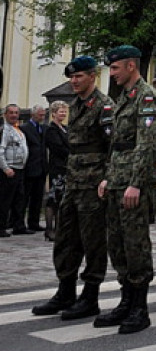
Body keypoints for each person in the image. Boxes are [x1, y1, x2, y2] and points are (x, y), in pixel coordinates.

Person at [31, 56, 113, 320]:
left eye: (79, 77)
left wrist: (107, 178)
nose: (74, 82)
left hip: (94, 185)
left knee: (93, 241)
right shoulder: (74, 106)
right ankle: (65, 291)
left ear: (93, 76)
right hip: (73, 182)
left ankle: (90, 296)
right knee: (65, 239)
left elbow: (114, 147)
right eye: (72, 77)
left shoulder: (105, 106)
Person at [94, 45, 156, 335]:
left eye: (115, 67)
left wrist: (136, 182)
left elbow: (147, 144)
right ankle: (125, 300)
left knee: (135, 244)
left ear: (130, 66)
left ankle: (140, 307)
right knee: (118, 244)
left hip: (133, 183)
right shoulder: (124, 98)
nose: (112, 73)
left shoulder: (146, 96)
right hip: (118, 180)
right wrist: (109, 177)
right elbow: (117, 146)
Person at [0, 103, 29, 237]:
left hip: (20, 169)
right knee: (5, 200)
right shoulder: (4, 131)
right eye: (11, 113)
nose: (14, 115)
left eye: (16, 113)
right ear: (5, 115)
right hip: (9, 169)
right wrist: (5, 168)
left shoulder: (17, 129)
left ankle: (18, 225)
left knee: (19, 199)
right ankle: (1, 226)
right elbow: (1, 151)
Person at [44, 101, 70, 241]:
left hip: (66, 168)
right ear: (53, 113)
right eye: (61, 111)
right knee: (53, 198)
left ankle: (59, 228)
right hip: (57, 167)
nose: (63, 114)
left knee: (62, 199)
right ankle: (49, 229)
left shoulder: (65, 128)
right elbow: (58, 148)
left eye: (65, 111)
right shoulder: (51, 129)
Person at [21, 105, 48, 232]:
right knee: (24, 197)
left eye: (43, 115)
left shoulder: (43, 128)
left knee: (37, 198)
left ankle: (34, 222)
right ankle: (19, 222)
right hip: (29, 167)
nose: (42, 117)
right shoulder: (25, 128)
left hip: (41, 167)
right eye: (40, 115)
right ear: (33, 115)